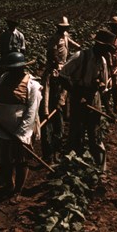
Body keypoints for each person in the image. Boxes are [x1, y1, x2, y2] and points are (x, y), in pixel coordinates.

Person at [0, 52, 42, 194]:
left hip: (21, 128)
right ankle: (9, 185)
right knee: (5, 160)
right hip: (2, 126)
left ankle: (18, 189)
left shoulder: (32, 85)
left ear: (22, 68)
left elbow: (31, 111)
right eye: (10, 68)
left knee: (21, 160)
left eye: (16, 68)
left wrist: (22, 134)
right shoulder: (4, 78)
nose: (13, 71)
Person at [60, 29, 115, 170]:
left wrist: (109, 110)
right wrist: (76, 94)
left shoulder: (102, 61)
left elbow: (104, 89)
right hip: (78, 97)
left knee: (95, 134)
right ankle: (71, 167)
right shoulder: (80, 56)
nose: (108, 51)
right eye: (107, 48)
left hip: (94, 98)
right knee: (75, 133)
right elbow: (62, 76)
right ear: (99, 45)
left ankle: (100, 168)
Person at [41, 16, 72, 163]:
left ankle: (56, 153)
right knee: (48, 127)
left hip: (58, 103)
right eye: (61, 27)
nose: (63, 29)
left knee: (59, 127)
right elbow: (46, 91)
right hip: (49, 105)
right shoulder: (53, 39)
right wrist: (46, 110)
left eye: (65, 28)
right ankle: (48, 156)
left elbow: (66, 89)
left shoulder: (65, 37)